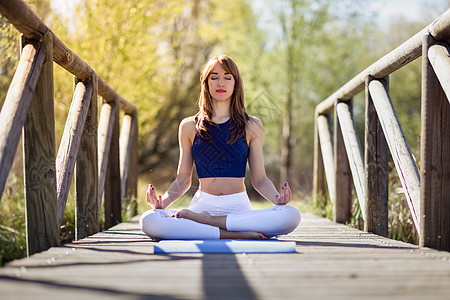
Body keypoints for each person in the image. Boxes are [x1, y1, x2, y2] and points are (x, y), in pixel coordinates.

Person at [140, 55, 301, 240]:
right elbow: (183, 180)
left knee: (291, 215)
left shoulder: (252, 125)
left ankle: (211, 224)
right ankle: (230, 233)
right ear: (206, 83)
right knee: (149, 220)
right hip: (202, 205)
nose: (220, 82)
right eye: (214, 77)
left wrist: (277, 199)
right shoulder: (189, 126)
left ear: (235, 83)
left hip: (237, 208)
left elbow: (260, 179)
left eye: (227, 77)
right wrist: (162, 204)